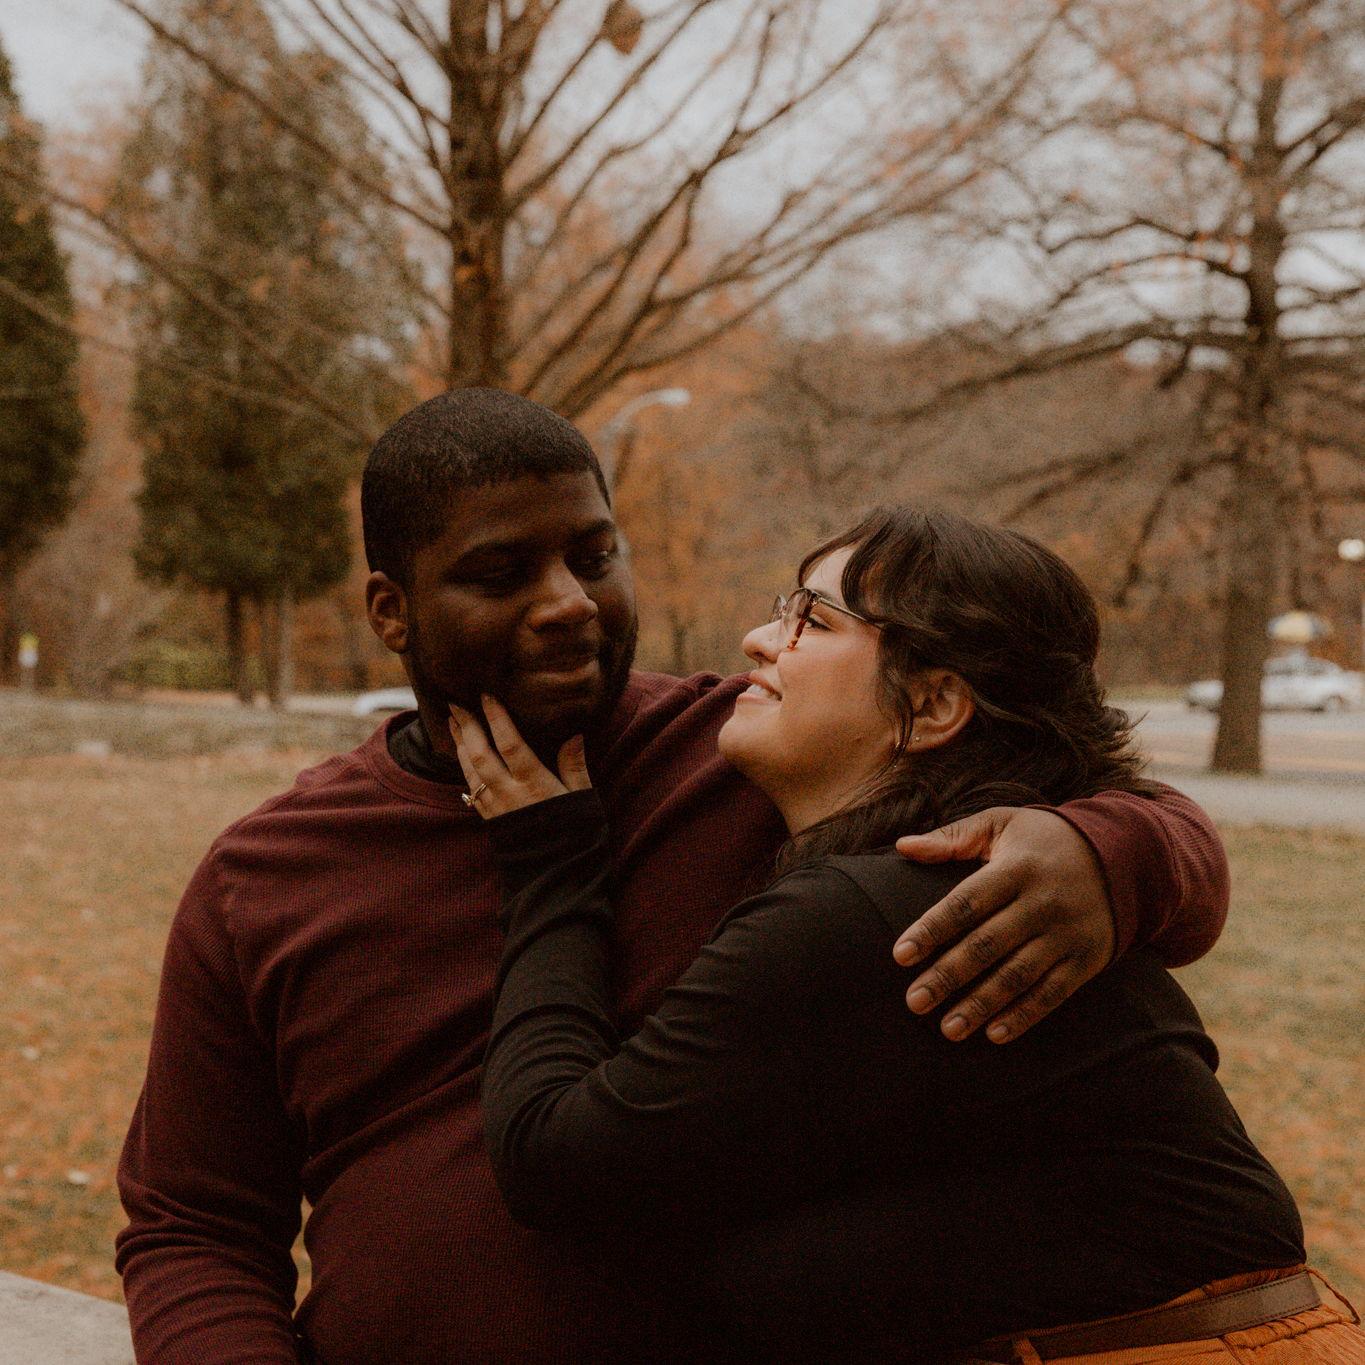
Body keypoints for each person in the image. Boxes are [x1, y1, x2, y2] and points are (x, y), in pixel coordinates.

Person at [118, 390, 1234, 1364]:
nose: (567, 601)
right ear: (390, 609)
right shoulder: (268, 875)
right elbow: (193, 1224)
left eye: (593, 556)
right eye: (501, 573)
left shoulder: (751, 759)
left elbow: (1075, 784)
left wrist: (1115, 852)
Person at [461, 503, 1364, 1364]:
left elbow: (553, 1162)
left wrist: (548, 866)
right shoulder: (954, 875)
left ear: (930, 706)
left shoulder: (881, 911)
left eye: (813, 619)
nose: (759, 639)